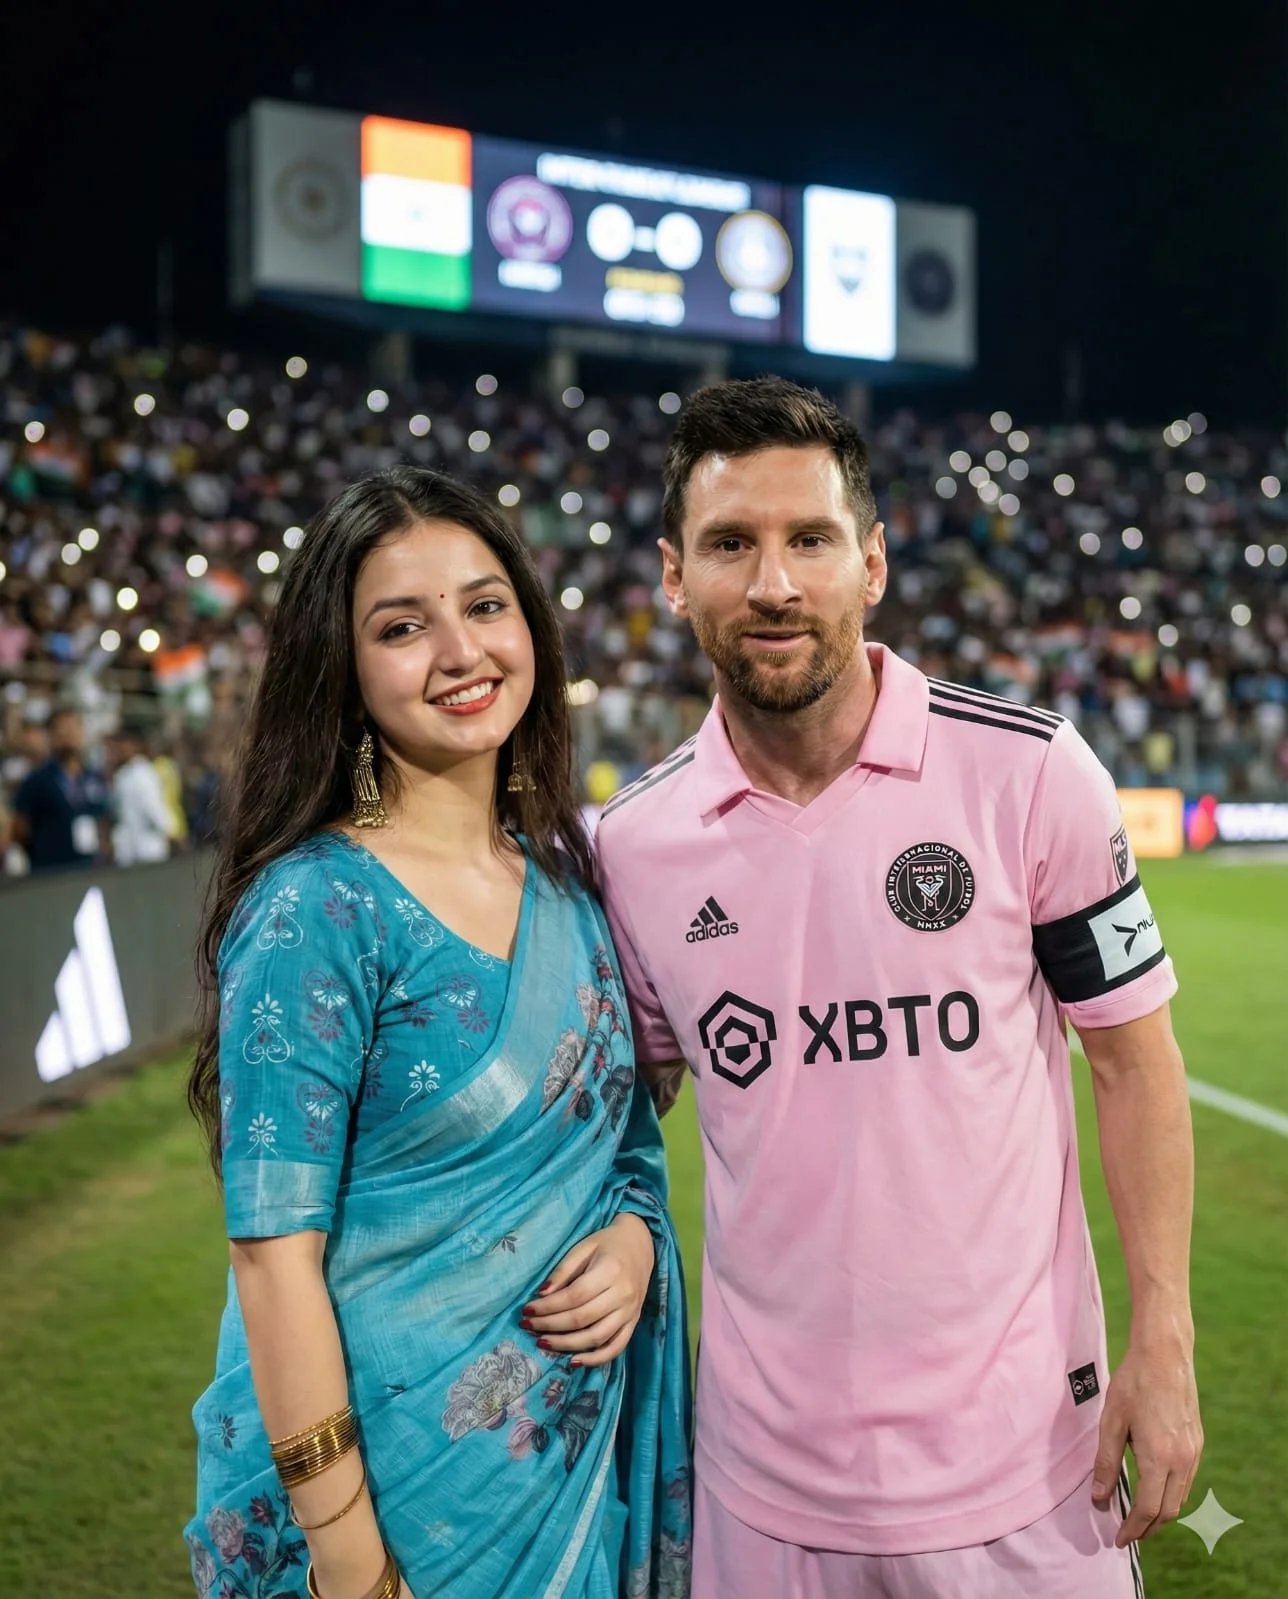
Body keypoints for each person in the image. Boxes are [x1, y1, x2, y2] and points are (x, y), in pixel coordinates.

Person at [595, 378, 1203, 1599]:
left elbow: (1132, 1061)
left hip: (1031, 1473)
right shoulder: (633, 846)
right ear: (673, 576)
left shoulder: (1029, 773)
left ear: (870, 564)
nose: (774, 584)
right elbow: (615, 1113)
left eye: (810, 540)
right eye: (730, 544)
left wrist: (1165, 1334)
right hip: (761, 1490)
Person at [184, 467, 692, 1599]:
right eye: (403, 626)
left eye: (485, 605)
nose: (461, 652)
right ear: (345, 666)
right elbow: (271, 1256)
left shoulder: (570, 889)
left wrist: (632, 1240)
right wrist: (351, 1564)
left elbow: (623, 1150)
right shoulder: (316, 908)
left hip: (557, 1484)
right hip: (385, 1511)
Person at [10, 706, 110, 871]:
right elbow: (20, 829)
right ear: (51, 735)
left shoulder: (93, 778)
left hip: (90, 868)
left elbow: (103, 821)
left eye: (74, 727)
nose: (69, 734)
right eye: (63, 729)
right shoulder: (37, 780)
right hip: (52, 871)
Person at [109, 722, 175, 865]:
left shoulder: (144, 772)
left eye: (123, 743)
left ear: (135, 745)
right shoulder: (122, 774)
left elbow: (153, 807)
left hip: (149, 850)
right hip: (128, 852)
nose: (119, 748)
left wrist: (169, 831)